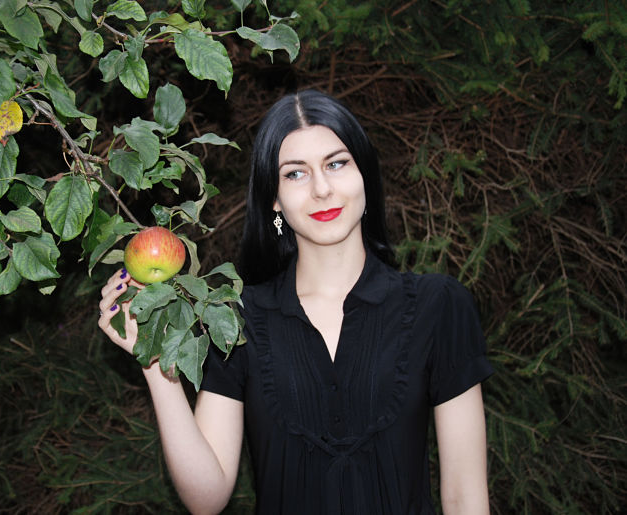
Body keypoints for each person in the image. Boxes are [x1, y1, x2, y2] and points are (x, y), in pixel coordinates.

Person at [98, 90, 494, 514]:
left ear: (364, 172)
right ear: (274, 198)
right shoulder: (233, 318)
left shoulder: (440, 305)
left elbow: (465, 498)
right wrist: (156, 366)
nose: (322, 189)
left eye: (336, 164)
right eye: (295, 174)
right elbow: (206, 499)